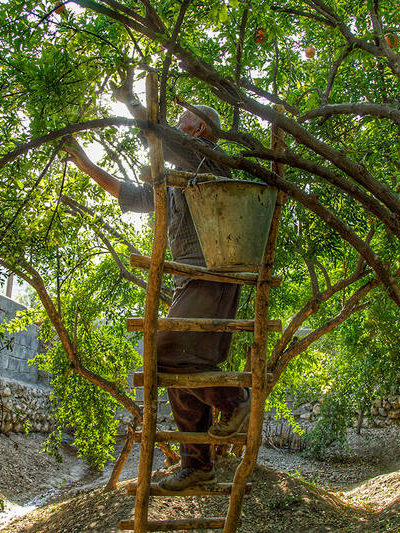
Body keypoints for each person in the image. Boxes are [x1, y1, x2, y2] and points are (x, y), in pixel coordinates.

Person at [61, 93, 250, 492]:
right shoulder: (174, 186)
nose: (175, 128)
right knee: (178, 371)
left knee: (162, 351)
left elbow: (165, 141)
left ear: (199, 129)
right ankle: (197, 465)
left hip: (213, 276)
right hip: (190, 281)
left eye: (182, 121)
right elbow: (128, 193)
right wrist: (85, 163)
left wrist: (133, 103)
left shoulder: (211, 161)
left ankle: (237, 402)